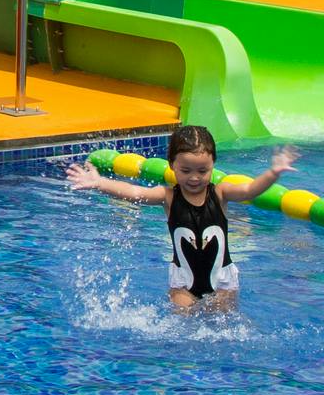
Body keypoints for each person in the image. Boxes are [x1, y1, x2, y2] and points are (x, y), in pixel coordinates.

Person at [66, 124, 299, 311]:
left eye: (202, 171)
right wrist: (99, 183)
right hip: (183, 283)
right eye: (186, 171)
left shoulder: (220, 193)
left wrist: (273, 172)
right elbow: (135, 193)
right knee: (182, 322)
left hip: (223, 281)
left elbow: (251, 191)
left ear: (213, 166)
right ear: (172, 166)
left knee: (225, 322)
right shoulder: (168, 197)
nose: (195, 178)